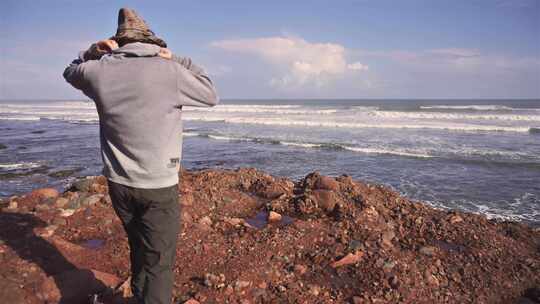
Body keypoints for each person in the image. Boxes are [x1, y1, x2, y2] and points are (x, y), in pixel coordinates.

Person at [63, 7, 219, 304]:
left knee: (138, 245)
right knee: (158, 262)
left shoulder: (99, 70)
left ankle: (139, 297)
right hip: (159, 184)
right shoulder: (171, 71)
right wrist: (178, 59)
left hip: (119, 183)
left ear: (118, 42)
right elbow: (211, 93)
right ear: (153, 42)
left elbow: (70, 71)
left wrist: (93, 51)